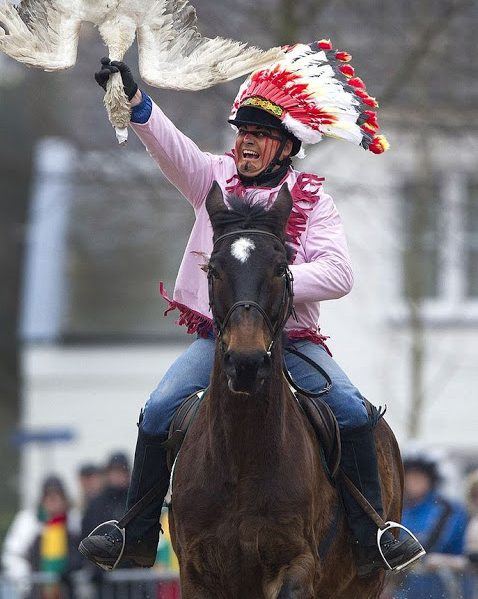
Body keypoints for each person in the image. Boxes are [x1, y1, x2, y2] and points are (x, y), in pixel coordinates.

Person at [79, 40, 425, 577]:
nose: (246, 144)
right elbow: (173, 147)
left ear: (286, 147)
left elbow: (339, 274)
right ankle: (136, 532)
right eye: (243, 133)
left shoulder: (316, 202)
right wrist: (137, 103)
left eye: (260, 136)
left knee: (355, 413)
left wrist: (273, 282)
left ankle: (374, 534)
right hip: (217, 340)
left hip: (294, 342)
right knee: (156, 413)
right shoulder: (211, 179)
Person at [390, 449, 469, 599]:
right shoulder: (399, 508)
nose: (414, 481)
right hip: (406, 591)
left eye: (419, 475)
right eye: (410, 475)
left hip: (445, 590)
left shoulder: (448, 507)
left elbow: (430, 545)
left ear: (431, 478)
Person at [1, 475, 81, 597]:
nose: (53, 502)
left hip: (68, 591)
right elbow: (13, 554)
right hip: (37, 591)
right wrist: (28, 582)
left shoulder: (74, 522)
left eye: (57, 497)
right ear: (42, 500)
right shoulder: (28, 522)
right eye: (49, 497)